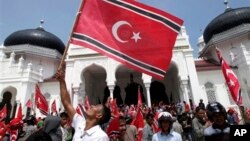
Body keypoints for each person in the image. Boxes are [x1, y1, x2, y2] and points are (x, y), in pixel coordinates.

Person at [56, 68, 110, 141]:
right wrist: (62, 81)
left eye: (96, 106)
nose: (92, 105)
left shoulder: (101, 136)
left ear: (99, 115)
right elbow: (66, 103)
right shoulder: (80, 123)